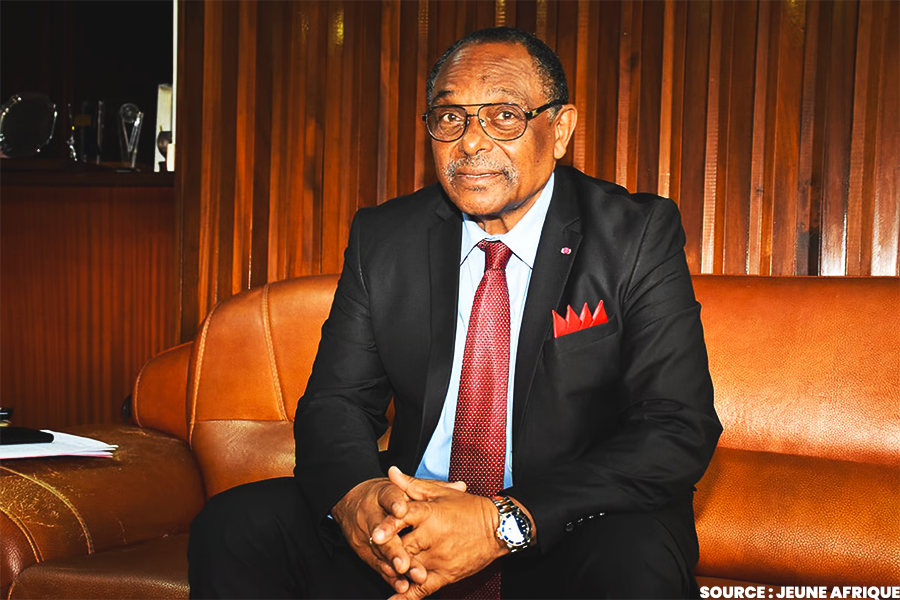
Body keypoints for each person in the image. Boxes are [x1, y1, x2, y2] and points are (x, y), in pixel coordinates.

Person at [188, 26, 721, 600]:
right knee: (236, 527)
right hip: (416, 514)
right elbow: (336, 402)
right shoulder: (385, 236)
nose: (470, 142)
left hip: (563, 524)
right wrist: (361, 500)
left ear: (560, 130)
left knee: (636, 560)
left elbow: (677, 424)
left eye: (504, 116)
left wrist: (501, 521)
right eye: (450, 118)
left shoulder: (634, 235)